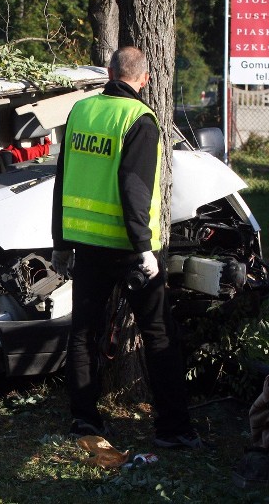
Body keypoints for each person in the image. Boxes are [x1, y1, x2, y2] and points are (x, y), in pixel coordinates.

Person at [51, 46, 202, 449]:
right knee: (158, 335)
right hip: (129, 249)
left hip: (87, 246)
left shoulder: (81, 112)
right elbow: (134, 189)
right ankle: (173, 429)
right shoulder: (140, 119)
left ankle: (84, 421)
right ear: (146, 79)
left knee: (83, 333)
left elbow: (62, 179)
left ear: (109, 71)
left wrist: (60, 244)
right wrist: (145, 250)